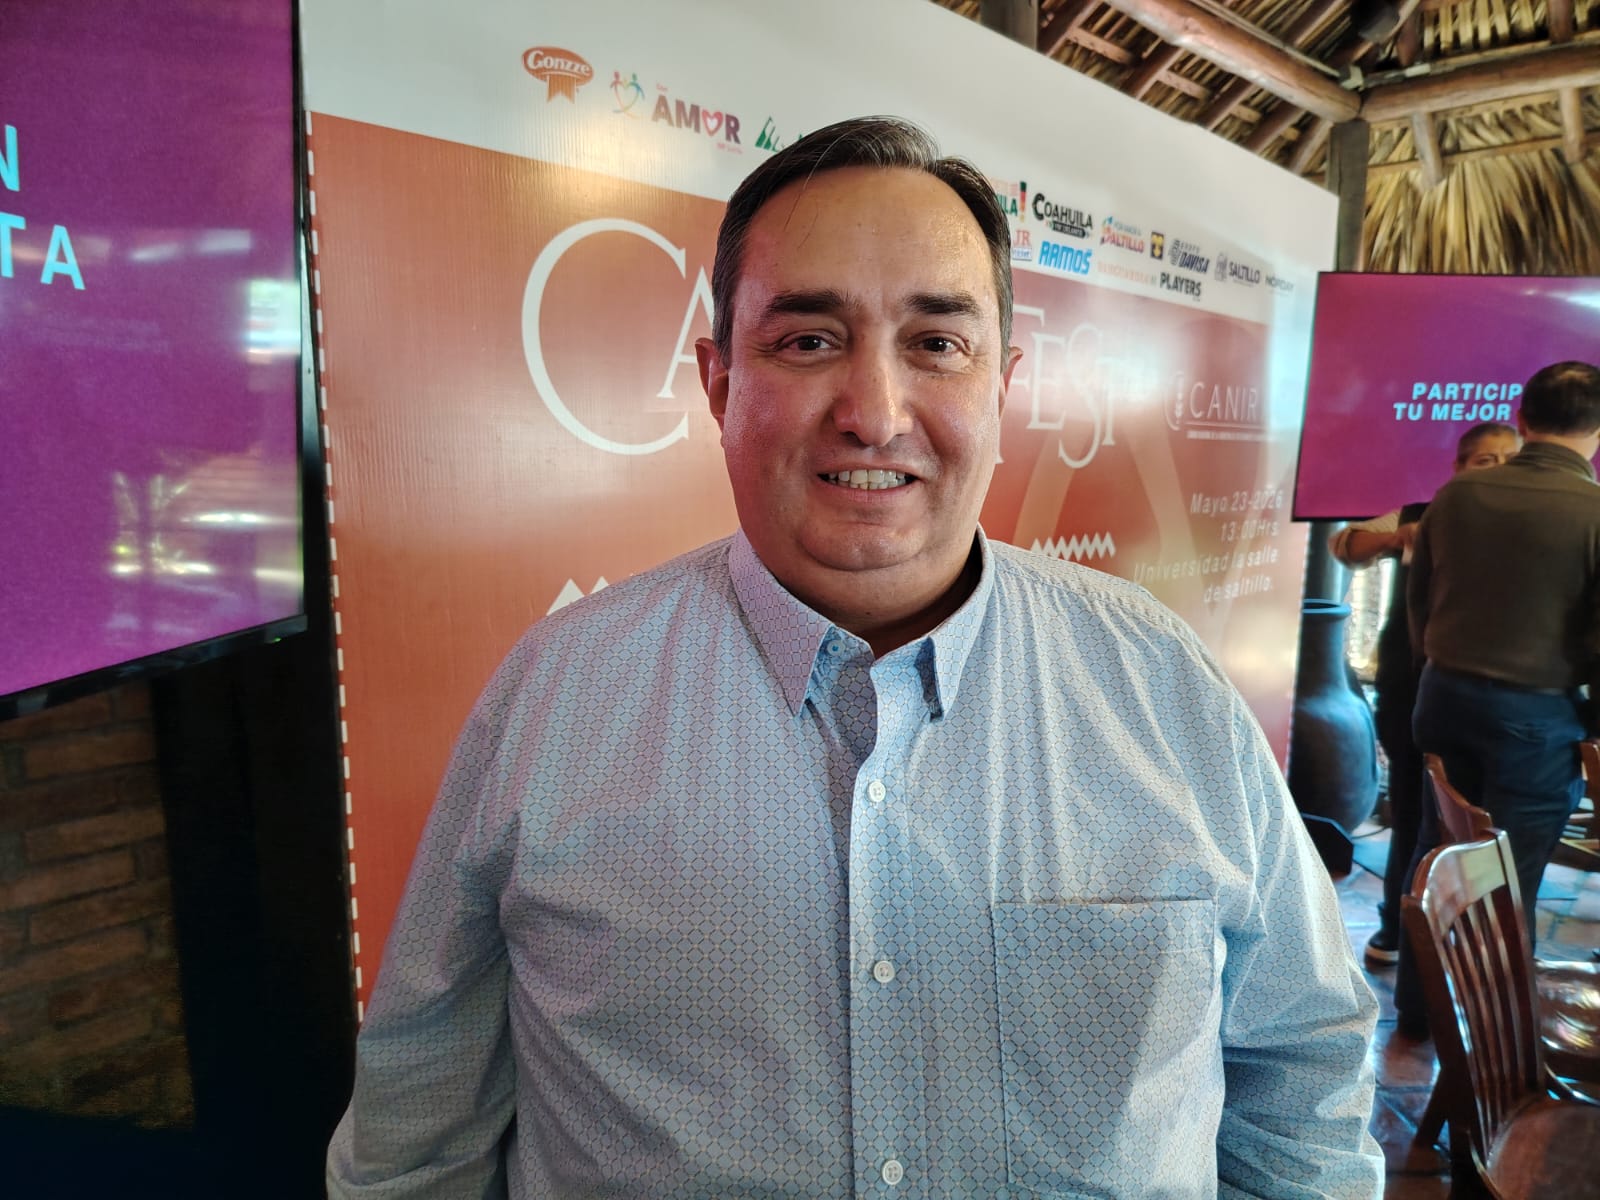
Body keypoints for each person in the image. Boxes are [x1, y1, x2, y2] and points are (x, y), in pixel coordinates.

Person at [327, 116, 1382, 1198]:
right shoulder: (559, 696)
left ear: (1001, 386)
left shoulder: (1159, 686)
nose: (874, 415)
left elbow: (1302, 1080)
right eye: (807, 341)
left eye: (936, 344)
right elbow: (422, 1129)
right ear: (718, 384)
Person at [1400, 361, 1600, 1035]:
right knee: (1511, 882)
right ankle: (1494, 1045)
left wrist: (1436, 670)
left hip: (1442, 697)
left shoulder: (1458, 495)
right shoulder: (1593, 511)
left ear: (1522, 417)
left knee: (1438, 856)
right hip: (1534, 718)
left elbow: (1419, 602)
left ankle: (1418, 1013)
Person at [1328, 422, 1520, 969]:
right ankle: (1399, 926)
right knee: (1415, 810)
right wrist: (1399, 538)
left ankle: (1467, 943)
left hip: (1495, 696)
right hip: (1414, 684)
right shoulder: (1426, 511)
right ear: (1458, 468)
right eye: (1486, 460)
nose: (1499, 470)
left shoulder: (1531, 522)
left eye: (1510, 459)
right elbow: (1347, 544)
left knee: (1483, 819)